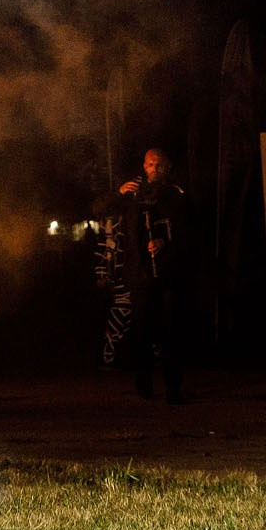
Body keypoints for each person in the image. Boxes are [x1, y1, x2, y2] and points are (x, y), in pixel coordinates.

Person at [116, 148, 197, 403]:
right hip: (140, 275)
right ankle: (144, 384)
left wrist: (165, 242)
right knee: (142, 332)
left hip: (168, 275)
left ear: (167, 167)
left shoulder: (175, 195)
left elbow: (187, 231)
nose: (154, 168)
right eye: (150, 164)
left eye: (159, 165)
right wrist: (117, 193)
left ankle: (173, 387)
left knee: (171, 331)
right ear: (144, 166)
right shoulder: (131, 195)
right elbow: (99, 208)